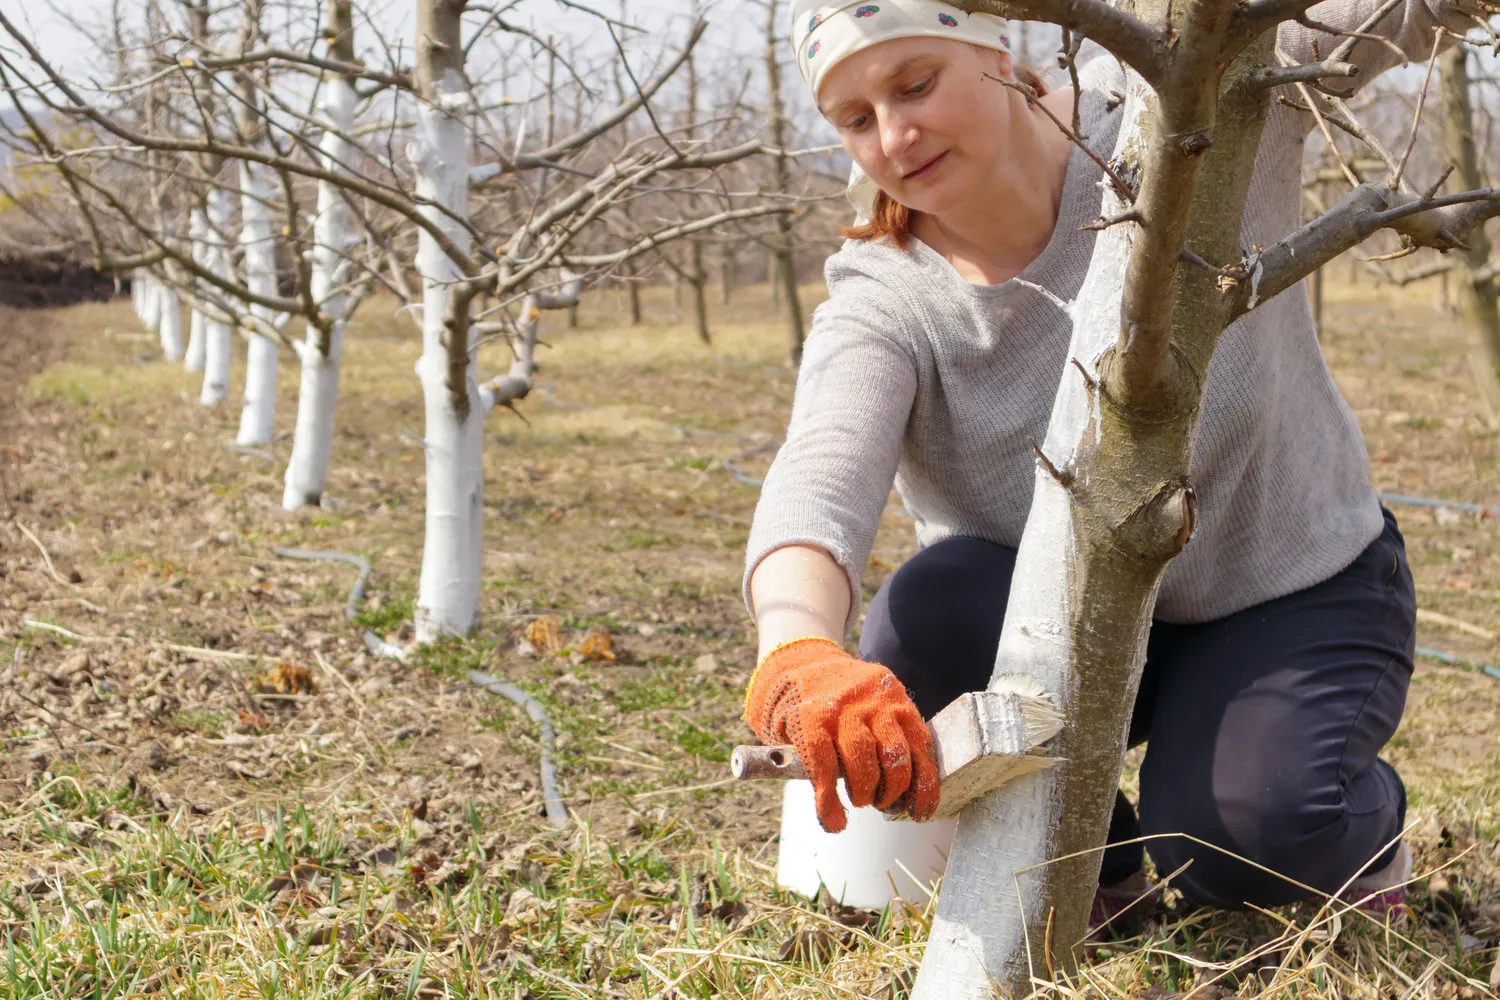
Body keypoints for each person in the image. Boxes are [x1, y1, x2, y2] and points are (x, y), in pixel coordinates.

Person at [740, 0, 1475, 919]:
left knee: (1239, 842)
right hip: (1075, 620)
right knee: (920, 617)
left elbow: (1367, 16)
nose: (895, 134)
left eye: (915, 83)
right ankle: (1098, 865)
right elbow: (820, 473)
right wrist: (797, 647)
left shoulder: (1184, 120)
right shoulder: (888, 294)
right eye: (855, 118)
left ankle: (1346, 836)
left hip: (1288, 587)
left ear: (997, 48)